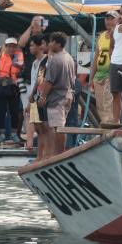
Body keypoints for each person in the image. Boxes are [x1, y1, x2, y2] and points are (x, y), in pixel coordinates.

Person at [37, 32, 76, 160]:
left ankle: (57, 154)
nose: (49, 44)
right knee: (58, 126)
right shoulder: (69, 57)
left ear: (58, 44)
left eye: (52, 41)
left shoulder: (55, 60)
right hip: (68, 95)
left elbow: (49, 82)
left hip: (57, 98)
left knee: (56, 127)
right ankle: (57, 153)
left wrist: (42, 97)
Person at [0, 37, 24, 142]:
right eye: (9, 46)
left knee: (14, 111)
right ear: (5, 47)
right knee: (2, 111)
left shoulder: (20, 57)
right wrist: (1, 78)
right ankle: (1, 134)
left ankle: (14, 134)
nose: (11, 48)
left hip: (14, 87)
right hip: (2, 86)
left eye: (13, 46)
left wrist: (17, 79)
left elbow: (23, 71)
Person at [91, 11, 118, 124]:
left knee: (109, 103)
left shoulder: (118, 35)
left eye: (111, 18)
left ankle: (111, 127)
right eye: (107, 18)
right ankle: (105, 127)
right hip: (99, 75)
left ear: (117, 20)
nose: (108, 21)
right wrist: (91, 78)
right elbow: (96, 57)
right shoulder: (101, 36)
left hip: (110, 73)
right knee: (100, 106)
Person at [26, 35, 49, 151]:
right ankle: (32, 146)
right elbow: (34, 81)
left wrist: (32, 98)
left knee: (43, 128)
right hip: (34, 97)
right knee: (36, 125)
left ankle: (44, 151)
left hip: (40, 98)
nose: (30, 48)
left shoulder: (46, 60)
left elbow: (40, 81)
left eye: (32, 45)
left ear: (40, 46)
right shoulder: (35, 62)